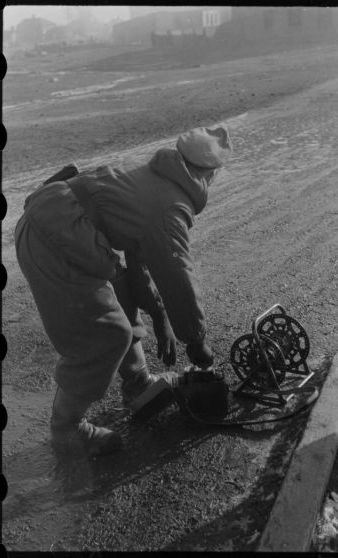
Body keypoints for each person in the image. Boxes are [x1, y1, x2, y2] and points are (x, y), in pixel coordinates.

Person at [14, 125, 233, 457]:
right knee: (104, 334)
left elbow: (138, 261)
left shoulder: (153, 175)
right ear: (209, 172)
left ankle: (138, 384)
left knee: (120, 294)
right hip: (53, 235)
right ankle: (66, 428)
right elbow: (177, 275)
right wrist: (196, 339)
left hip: (64, 224)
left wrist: (159, 315)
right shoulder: (169, 206)